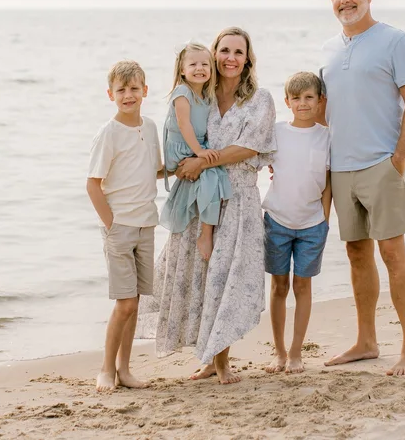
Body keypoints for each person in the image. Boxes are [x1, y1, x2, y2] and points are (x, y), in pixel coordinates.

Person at [138, 26, 276, 385]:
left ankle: (223, 361)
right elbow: (179, 140)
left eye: (238, 52)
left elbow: (250, 147)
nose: (231, 58)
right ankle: (211, 359)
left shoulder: (260, 100)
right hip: (203, 199)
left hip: (240, 199)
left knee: (227, 279)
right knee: (202, 277)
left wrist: (202, 162)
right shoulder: (201, 97)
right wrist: (143, 173)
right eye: (225, 51)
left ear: (247, 60)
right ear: (215, 55)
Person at [319, 0, 405, 376]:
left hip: (382, 164)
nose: (344, 0)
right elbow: (324, 113)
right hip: (340, 168)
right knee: (356, 254)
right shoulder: (328, 48)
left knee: (393, 254)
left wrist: (399, 158)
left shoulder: (395, 40)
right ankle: (366, 341)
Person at [86, 60, 163, 392]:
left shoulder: (151, 127)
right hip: (120, 228)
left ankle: (125, 369)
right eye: (121, 90)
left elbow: (153, 171)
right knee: (125, 302)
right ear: (110, 94)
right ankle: (106, 369)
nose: (128, 95)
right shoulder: (109, 133)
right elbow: (93, 184)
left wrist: (187, 165)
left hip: (147, 225)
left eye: (134, 89)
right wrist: (112, 225)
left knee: (136, 303)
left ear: (145, 91)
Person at [261, 71, 332, 375]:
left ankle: (295, 351)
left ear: (319, 101)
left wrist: (326, 219)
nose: (303, 104)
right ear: (287, 101)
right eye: (297, 98)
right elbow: (256, 164)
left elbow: (328, 181)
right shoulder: (276, 132)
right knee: (279, 286)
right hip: (277, 220)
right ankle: (278, 351)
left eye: (309, 98)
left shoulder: (327, 136)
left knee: (303, 286)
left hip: (312, 224)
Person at [160, 42, 232, 261]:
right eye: (193, 64)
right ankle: (206, 234)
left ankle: (207, 227)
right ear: (182, 70)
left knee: (218, 174)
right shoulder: (183, 92)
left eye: (205, 64)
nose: (199, 68)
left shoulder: (207, 96)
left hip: (195, 147)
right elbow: (184, 125)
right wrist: (199, 152)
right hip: (182, 149)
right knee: (210, 174)